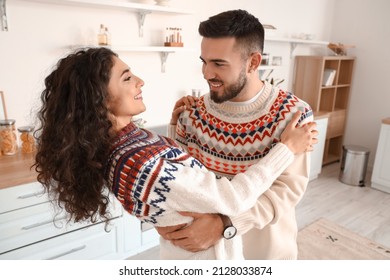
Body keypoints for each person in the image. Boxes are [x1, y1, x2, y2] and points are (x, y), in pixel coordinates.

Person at [33, 47, 316, 260]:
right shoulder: (142, 162)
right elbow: (232, 198)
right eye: (128, 78)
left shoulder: (121, 144)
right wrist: (286, 148)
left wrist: (174, 127)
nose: (140, 81)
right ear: (99, 98)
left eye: (218, 62)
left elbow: (176, 180)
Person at [158, 9, 315, 259]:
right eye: (204, 61)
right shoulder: (192, 112)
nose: (207, 73)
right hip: (211, 255)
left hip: (265, 253)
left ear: (253, 62)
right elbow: (183, 180)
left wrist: (226, 224)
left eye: (219, 63)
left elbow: (287, 190)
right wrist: (175, 128)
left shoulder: (293, 114)